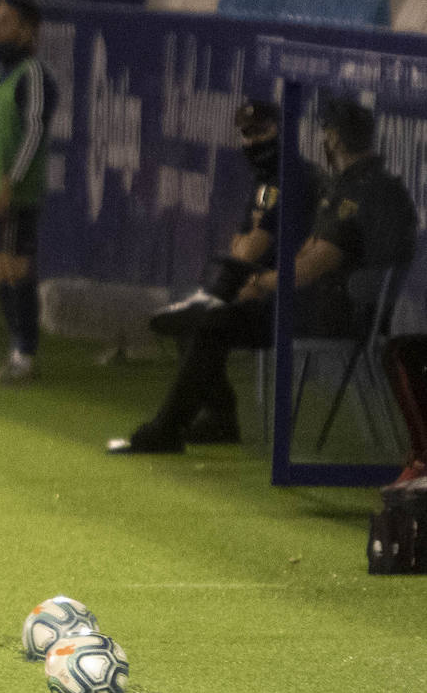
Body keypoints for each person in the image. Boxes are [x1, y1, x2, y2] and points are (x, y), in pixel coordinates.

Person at [109, 96, 417, 454]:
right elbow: (308, 250)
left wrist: (261, 284)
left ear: (334, 139)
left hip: (330, 315)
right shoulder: (357, 185)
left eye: (326, 133)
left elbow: (311, 265)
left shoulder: (361, 192)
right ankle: (211, 419)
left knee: (210, 322)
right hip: (322, 307)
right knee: (207, 318)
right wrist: (266, 282)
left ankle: (167, 431)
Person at [144, 99, 322, 442]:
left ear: (282, 129)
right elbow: (240, 246)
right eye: (247, 134)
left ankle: (167, 429)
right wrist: (250, 264)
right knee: (195, 320)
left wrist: (254, 271)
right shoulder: (265, 182)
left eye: (262, 131)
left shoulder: (295, 179)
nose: (254, 140)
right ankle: (219, 420)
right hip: (257, 289)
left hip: (291, 303)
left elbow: (251, 249)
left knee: (206, 322)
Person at [0, 0, 57, 384]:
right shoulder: (0, 75)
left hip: (17, 193)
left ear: (28, 31)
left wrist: (11, 180)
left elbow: (34, 131)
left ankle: (26, 354)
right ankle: (17, 350)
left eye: (5, 22)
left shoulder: (34, 75)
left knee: (15, 268)